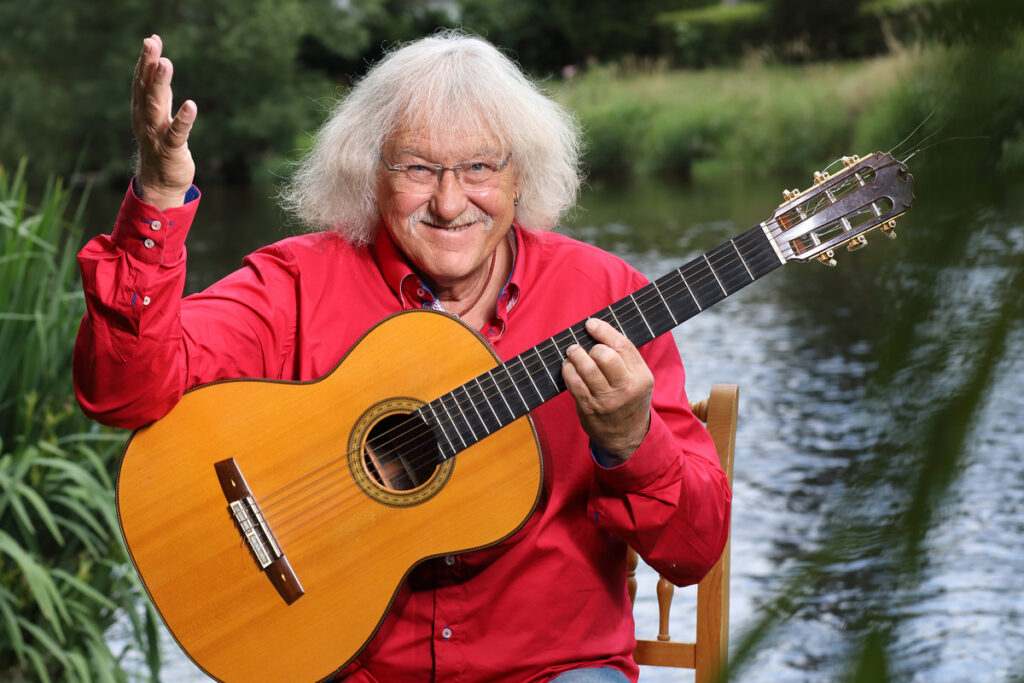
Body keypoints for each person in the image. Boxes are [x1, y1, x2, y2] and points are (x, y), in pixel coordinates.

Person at [74, 31, 731, 683]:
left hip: (551, 669)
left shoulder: (608, 299)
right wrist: (158, 199)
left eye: (479, 167)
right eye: (417, 169)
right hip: (350, 669)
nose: (449, 202)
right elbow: (124, 393)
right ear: (369, 174)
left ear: (520, 175)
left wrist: (631, 439)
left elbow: (693, 553)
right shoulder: (296, 284)